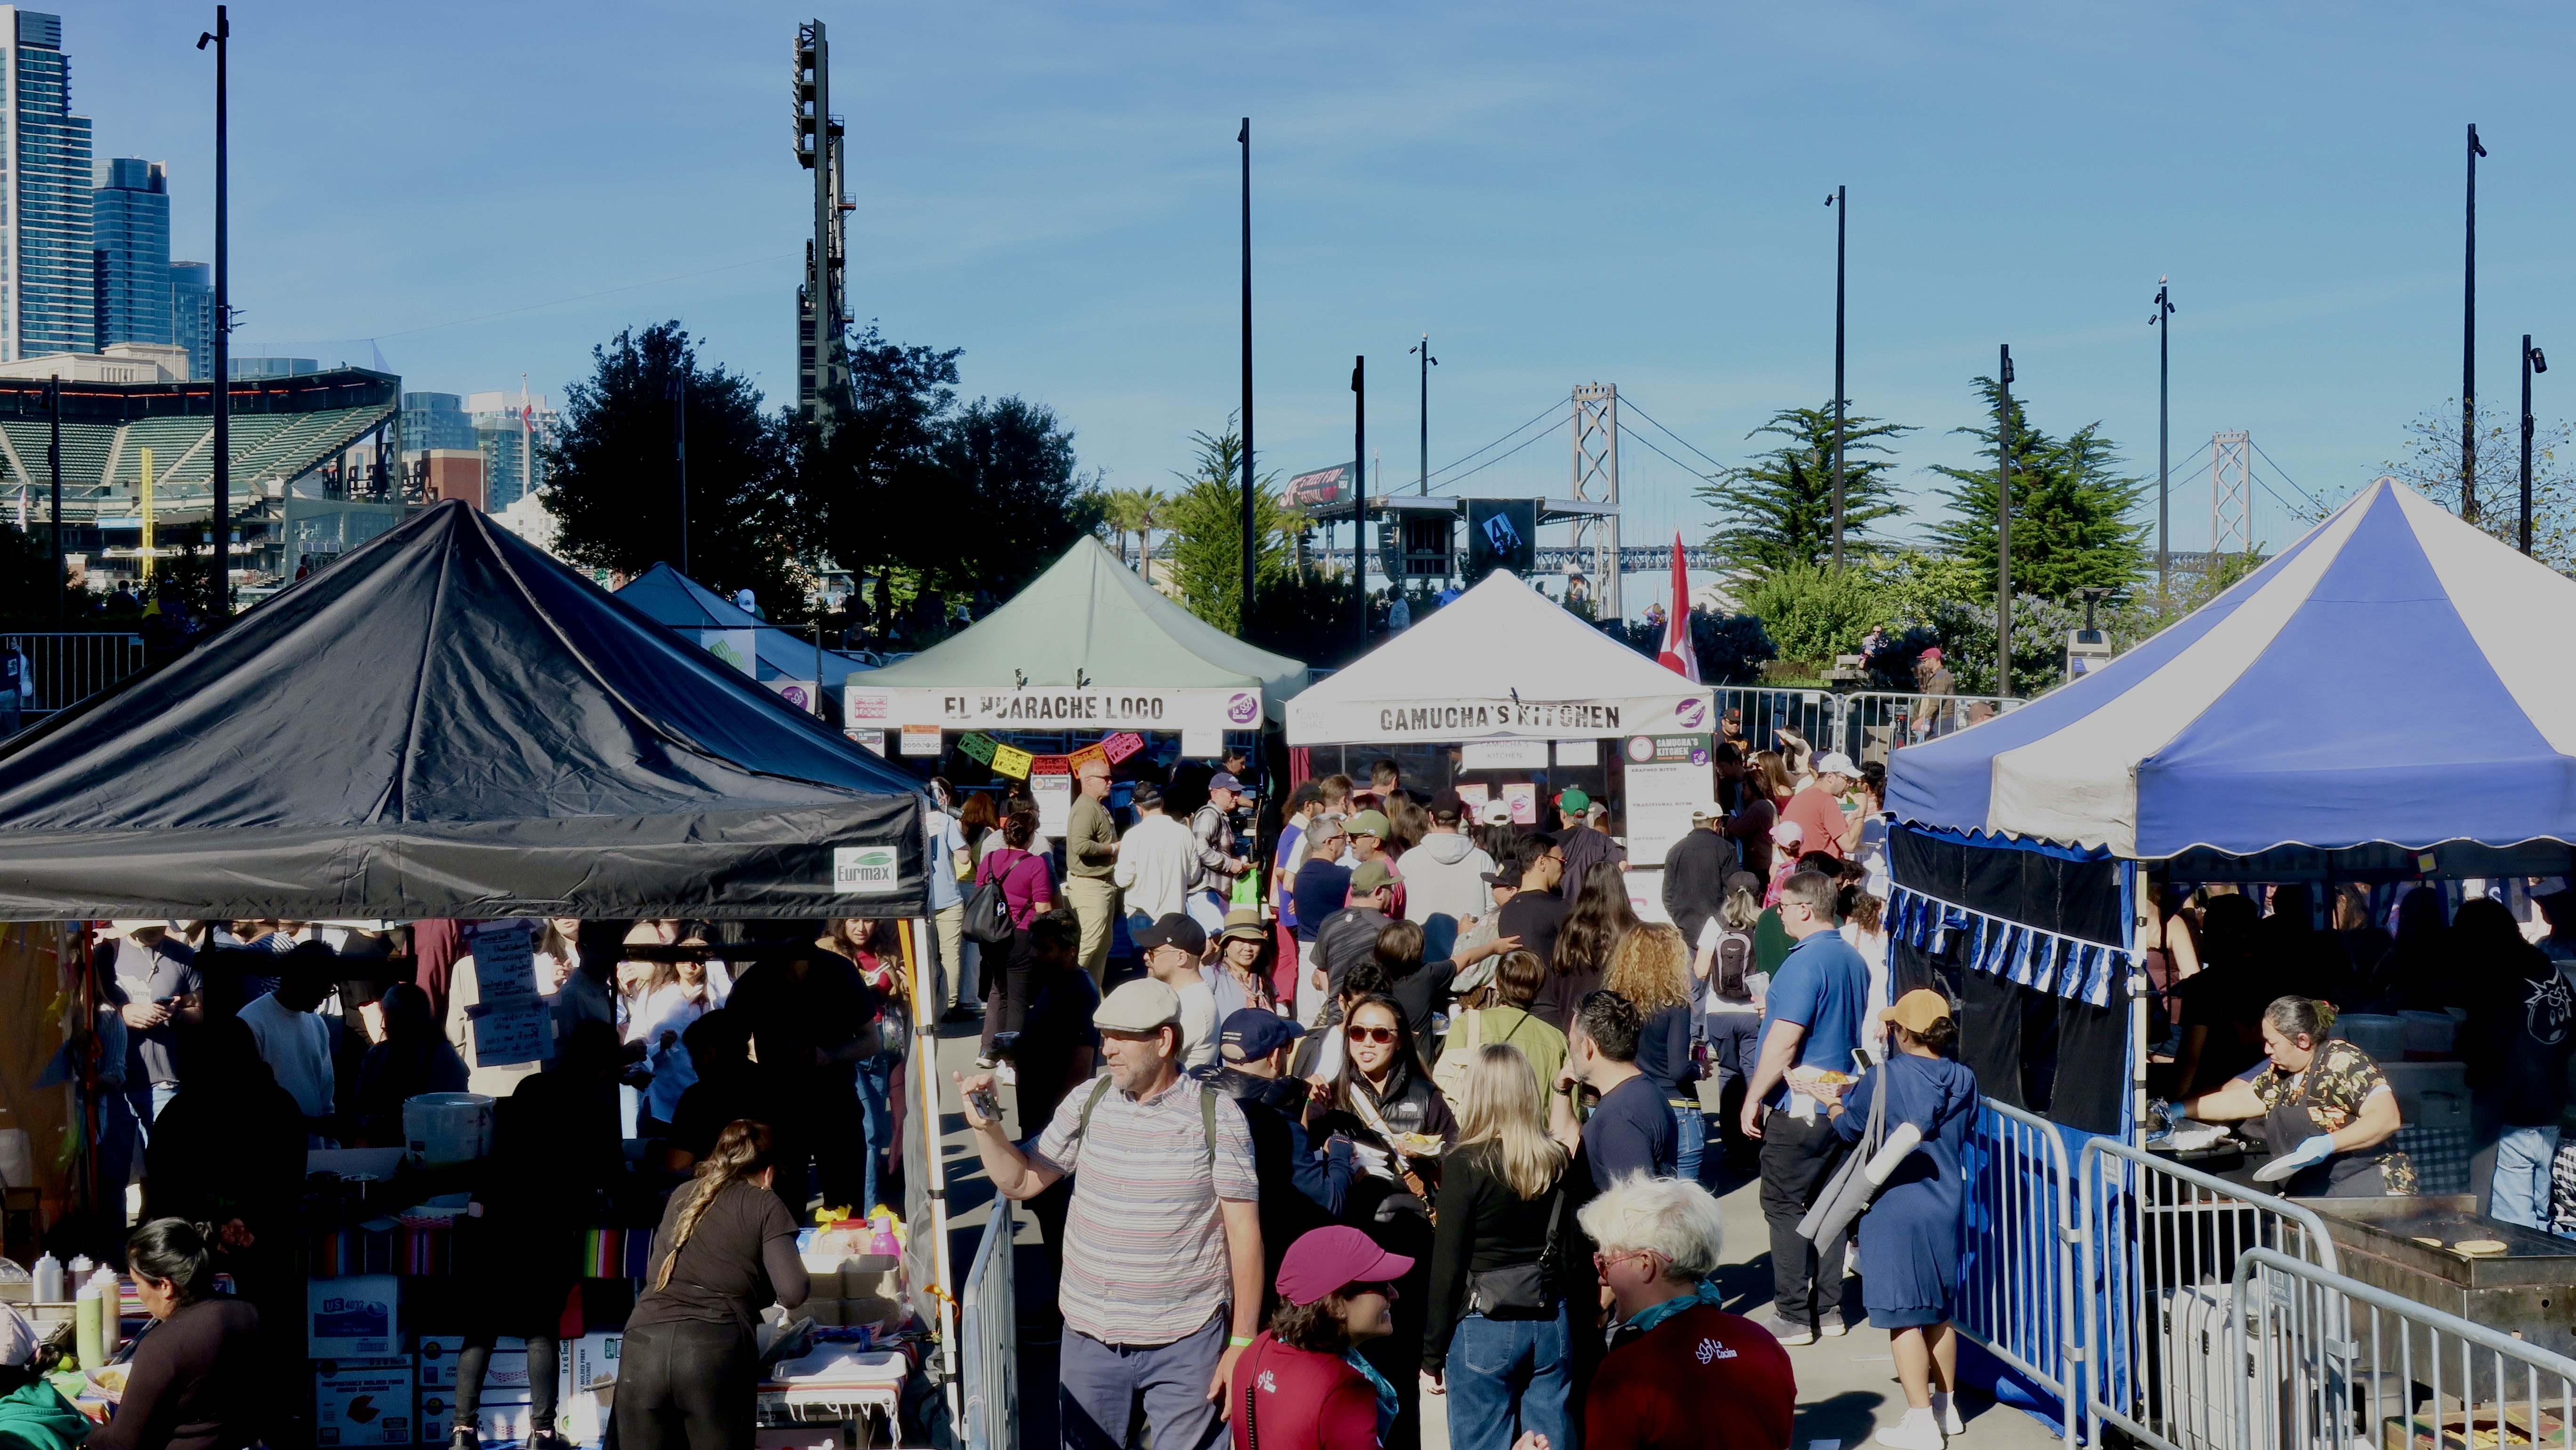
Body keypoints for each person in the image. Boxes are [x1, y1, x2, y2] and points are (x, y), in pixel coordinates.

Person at [961, 977, 1263, 1450]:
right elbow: (1021, 1180)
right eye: (1104, 1034)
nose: (1108, 1047)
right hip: (1089, 1341)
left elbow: (1245, 1236)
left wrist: (1242, 1343)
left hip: (1186, 1344)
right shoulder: (1089, 1100)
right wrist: (986, 1126)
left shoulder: (1218, 1116)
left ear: (1163, 1040)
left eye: (1122, 1035)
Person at [1813, 992, 1981, 1450]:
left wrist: (1828, 1102)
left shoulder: (1882, 1075)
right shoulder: (1965, 1078)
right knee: (1938, 1312)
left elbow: (1850, 1130)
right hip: (1946, 1202)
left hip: (1895, 1207)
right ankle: (1948, 1408)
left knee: (1903, 1315)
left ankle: (1921, 1420)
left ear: (1903, 1031)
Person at [1304, 994, 1450, 1450]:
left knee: (1400, 1374)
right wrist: (1309, 1112)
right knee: (1347, 1375)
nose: (1367, 1043)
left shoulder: (1426, 1096)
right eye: (1357, 1032)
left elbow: (1457, 1163)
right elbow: (1305, 1168)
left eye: (1380, 1033)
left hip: (1408, 1248)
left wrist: (1424, 1157)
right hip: (1350, 1250)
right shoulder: (1329, 1093)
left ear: (1401, 1038)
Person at [1232, 1227, 1526, 1450]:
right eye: (1379, 1285)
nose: (1394, 1294)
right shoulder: (1343, 1388)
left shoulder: (1258, 1349)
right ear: (1336, 1305)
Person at [617, 1120, 809, 1450]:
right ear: (769, 1173)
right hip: (712, 1353)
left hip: (643, 1348)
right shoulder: (764, 1203)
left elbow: (657, 1272)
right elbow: (793, 1292)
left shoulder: (682, 1196)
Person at [1422, 1045, 1575, 1450]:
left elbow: (1447, 1267)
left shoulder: (1465, 1163)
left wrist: (1431, 1355)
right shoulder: (1557, 1160)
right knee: (1550, 1443)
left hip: (1482, 1326)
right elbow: (1570, 1251)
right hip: (1549, 1319)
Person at [1740, 869, 1871, 1343]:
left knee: (1784, 1203)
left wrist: (1753, 1097)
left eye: (1783, 904)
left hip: (1799, 1104)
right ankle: (1829, 1308)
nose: (1778, 912)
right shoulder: (1852, 959)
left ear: (1804, 908)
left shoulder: (1803, 963)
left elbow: (1785, 1040)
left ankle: (1794, 1314)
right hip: (1842, 1098)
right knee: (1830, 1204)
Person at [1578, 1175, 1795, 1450]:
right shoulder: (1763, 1343)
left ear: (1645, 1264)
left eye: (1605, 1263)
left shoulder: (1625, 1373)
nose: (1602, 1279)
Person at [2177, 995, 2413, 1195]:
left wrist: (2330, 1143)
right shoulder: (2282, 1072)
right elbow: (2242, 1100)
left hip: (2370, 1187)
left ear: (2302, 1040)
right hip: (2319, 1189)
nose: (2267, 1050)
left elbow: (2387, 1118)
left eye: (2273, 1043)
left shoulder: (2343, 1061)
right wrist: (2178, 1110)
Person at [724, 926, 882, 1216]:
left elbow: (872, 1041)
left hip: (837, 1108)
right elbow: (728, 1052)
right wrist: (760, 1076)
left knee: (845, 1214)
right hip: (779, 1115)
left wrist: (829, 1057)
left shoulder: (838, 971)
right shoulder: (754, 982)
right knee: (780, 1214)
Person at [1202, 1010, 1352, 1304]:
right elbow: (1332, 1204)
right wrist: (1341, 1147)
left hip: (1206, 1260)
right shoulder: (1277, 1122)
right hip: (1263, 1273)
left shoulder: (1197, 1096)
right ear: (1275, 1057)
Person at [2454, 897, 2576, 1228]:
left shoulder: (2496, 977)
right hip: (2550, 1111)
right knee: (2540, 1216)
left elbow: (2478, 1045)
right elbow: (2569, 1037)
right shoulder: (2551, 972)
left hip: (2507, 1116)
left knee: (2509, 1226)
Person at [88, 1219, 264, 1450]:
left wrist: (75, 1421)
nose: (137, 1293)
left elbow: (121, 1445)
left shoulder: (162, 1346)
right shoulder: (249, 1313)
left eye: (137, 1283)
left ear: (165, 1286)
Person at [95, 921, 204, 1205]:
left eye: (158, 923)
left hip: (165, 1080)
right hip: (113, 1081)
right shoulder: (105, 954)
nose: (154, 929)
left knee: (167, 1170)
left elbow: (200, 1013)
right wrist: (123, 1013)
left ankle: (162, 1238)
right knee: (112, 1174)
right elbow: (84, 1006)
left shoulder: (183, 955)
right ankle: (114, 1243)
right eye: (146, 925)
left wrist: (175, 1013)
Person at [1606, 924, 1704, 1182]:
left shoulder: (1615, 1004)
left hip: (1630, 1103)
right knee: (1683, 1210)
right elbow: (1679, 1070)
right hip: (1676, 1105)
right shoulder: (1675, 1005)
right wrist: (1700, 1068)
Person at [1549, 990, 1676, 1188]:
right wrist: (1561, 1089)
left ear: (1588, 1047)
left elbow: (1635, 1208)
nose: (1570, 1053)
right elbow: (1565, 1143)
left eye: (1571, 1043)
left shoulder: (1621, 1120)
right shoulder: (1642, 1092)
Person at [1433, 950, 1569, 1112]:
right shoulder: (1555, 1039)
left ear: (1497, 983)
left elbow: (1445, 1084)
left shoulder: (1467, 1024)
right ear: (1538, 989)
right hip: (1534, 1134)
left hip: (1476, 1131)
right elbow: (1567, 1107)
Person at [973, 808, 1056, 1067]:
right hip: (1021, 935)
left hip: (991, 935)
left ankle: (988, 1051)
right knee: (1019, 998)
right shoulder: (1035, 863)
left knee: (998, 991)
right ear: (1030, 837)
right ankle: (1012, 1059)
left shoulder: (988, 860)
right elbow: (1043, 908)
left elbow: (981, 892)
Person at [1697, 878, 1769, 1172]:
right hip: (1754, 1011)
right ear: (1759, 895)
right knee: (1754, 1077)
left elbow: (1701, 971)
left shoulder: (1715, 922)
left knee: (1729, 1074)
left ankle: (1731, 1147)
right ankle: (1754, 1145)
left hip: (1718, 1014)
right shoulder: (1765, 922)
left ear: (1726, 894)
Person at [238, 945, 341, 1143]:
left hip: (315, 1158)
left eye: (328, 992)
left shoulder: (318, 1024)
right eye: (320, 991)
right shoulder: (251, 1022)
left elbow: (325, 1098)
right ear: (299, 982)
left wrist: (330, 1150)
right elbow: (248, 1105)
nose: (322, 1000)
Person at [351, 983, 467, 1147]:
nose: (392, 1034)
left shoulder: (442, 1057)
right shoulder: (376, 1056)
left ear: (416, 1021)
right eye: (389, 1027)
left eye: (399, 1027)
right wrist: (366, 1124)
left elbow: (454, 1112)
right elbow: (358, 1107)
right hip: (379, 1147)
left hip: (430, 1148)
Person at [1534, 862, 1636, 1032]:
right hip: (1615, 1027)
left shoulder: (1572, 928)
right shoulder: (1631, 930)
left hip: (1573, 1022)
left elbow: (1559, 976)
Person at [1398, 798, 1496, 962]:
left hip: (1419, 955)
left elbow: (1398, 905)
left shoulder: (1408, 860)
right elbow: (1493, 906)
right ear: (1460, 818)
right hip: (1468, 957)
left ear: (1430, 817)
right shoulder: (1482, 860)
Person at [1114, 782, 1199, 938]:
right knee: (1172, 961)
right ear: (1162, 803)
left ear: (1139, 809)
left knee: (1144, 962)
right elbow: (1193, 877)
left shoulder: (1133, 836)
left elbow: (1122, 880)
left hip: (1141, 914)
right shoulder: (1184, 833)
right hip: (1175, 914)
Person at [1065, 758, 1123, 986]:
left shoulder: (1097, 806)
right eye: (1105, 778)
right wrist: (1113, 848)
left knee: (1102, 945)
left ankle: (1091, 998)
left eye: (1111, 777)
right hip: (1090, 885)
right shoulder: (1085, 808)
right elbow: (1081, 846)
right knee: (1090, 945)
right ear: (1087, 781)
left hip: (1102, 883)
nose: (1111, 782)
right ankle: (1066, 990)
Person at [1139, 914, 1222, 1071]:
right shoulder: (1179, 997)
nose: (1145, 957)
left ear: (1181, 957)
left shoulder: (1194, 1007)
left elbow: (1147, 1059)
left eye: (1153, 951)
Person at [1312, 861, 1401, 1005]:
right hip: (1372, 1017)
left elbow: (1321, 971)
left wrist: (1338, 1000)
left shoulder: (1329, 922)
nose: (1392, 894)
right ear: (1378, 892)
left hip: (1338, 1012)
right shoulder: (1389, 929)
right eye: (1390, 888)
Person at [1294, 819, 1356, 1023]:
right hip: (1332, 955)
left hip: (1305, 954)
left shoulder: (1301, 876)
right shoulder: (1343, 877)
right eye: (1343, 838)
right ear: (1330, 843)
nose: (1347, 842)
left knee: (1309, 1021)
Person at [925, 777, 975, 1015]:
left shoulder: (912, 818)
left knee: (924, 953)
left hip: (921, 898)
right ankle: (950, 1005)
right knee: (950, 953)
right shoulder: (946, 821)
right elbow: (964, 858)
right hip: (948, 897)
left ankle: (925, 1001)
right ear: (944, 798)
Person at [1659, 810, 1738, 952]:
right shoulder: (1726, 849)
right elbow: (1733, 892)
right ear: (1716, 823)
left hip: (1686, 931)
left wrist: (1680, 919)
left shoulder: (1676, 850)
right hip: (1718, 931)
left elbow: (1668, 895)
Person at [1190, 773, 1257, 933]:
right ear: (1215, 792)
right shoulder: (1209, 815)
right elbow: (1200, 849)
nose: (1236, 797)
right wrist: (1229, 864)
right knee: (1216, 941)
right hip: (1205, 893)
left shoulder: (1221, 817)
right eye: (1232, 793)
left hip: (1217, 893)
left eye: (1238, 793)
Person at [1495, 838, 1570, 981]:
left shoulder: (1507, 910)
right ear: (1542, 862)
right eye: (1562, 862)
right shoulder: (1559, 908)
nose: (1564, 870)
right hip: (1552, 999)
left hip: (1515, 996)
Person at [1781, 752, 1857, 862]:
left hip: (1801, 870)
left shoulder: (1799, 797)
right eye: (1848, 779)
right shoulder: (1827, 801)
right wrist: (1862, 811)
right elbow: (1849, 845)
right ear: (1830, 777)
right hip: (1824, 872)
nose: (1850, 785)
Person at [1212, 909, 1277, 1019]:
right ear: (1226, 945)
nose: (1248, 948)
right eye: (1241, 941)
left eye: (1254, 942)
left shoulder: (1263, 980)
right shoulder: (1212, 976)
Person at [1552, 789, 1622, 890]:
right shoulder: (1601, 839)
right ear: (1584, 815)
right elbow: (1622, 863)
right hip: (1589, 903)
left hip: (1558, 902)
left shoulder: (1549, 841)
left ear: (1563, 815)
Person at [1910, 649, 1956, 741]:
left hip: (1943, 722)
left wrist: (1921, 719)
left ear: (1934, 659)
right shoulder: (1940, 675)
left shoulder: (1940, 677)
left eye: (1925, 660)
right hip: (1940, 721)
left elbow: (1935, 703)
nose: (1924, 663)